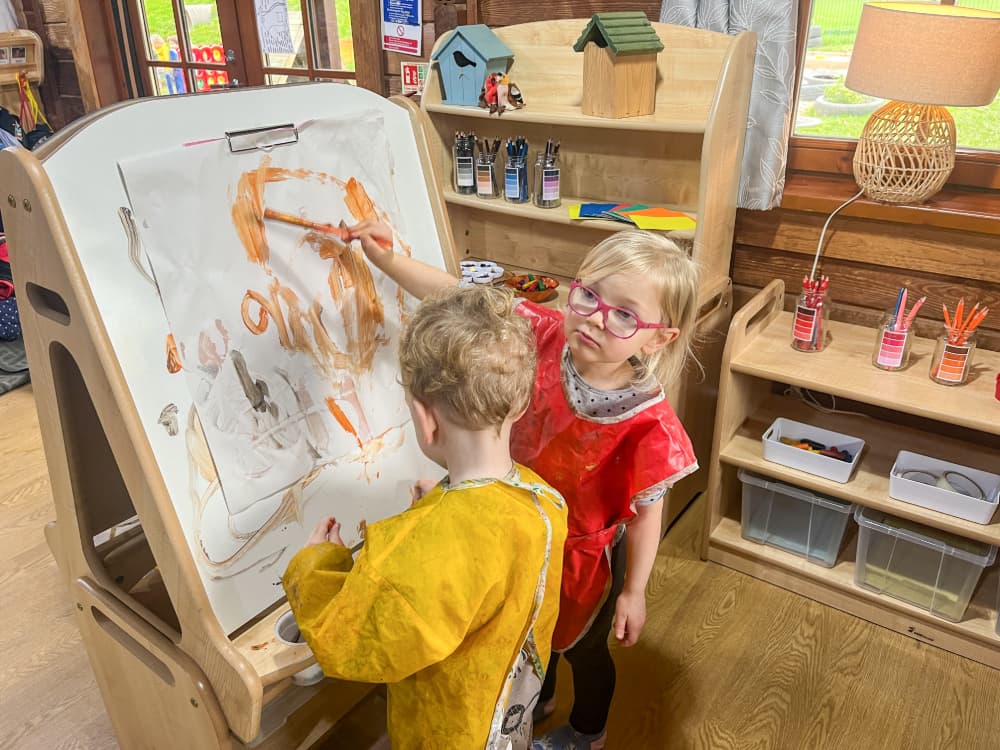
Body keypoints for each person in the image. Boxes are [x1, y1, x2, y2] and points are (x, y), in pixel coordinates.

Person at [349, 223, 700, 750]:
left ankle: (587, 732)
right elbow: (458, 299)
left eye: (625, 314)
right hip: (516, 530)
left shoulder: (650, 423)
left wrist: (634, 592)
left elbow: (649, 512)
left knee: (582, 648)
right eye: (588, 294)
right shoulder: (540, 332)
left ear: (659, 337)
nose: (595, 318)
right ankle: (540, 701)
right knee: (528, 629)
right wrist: (388, 261)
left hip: (585, 561)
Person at [282, 285, 568, 750]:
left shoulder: (425, 552)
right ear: (520, 400)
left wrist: (317, 566)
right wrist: (443, 504)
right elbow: (487, 544)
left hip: (447, 734)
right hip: (508, 717)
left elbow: (348, 643)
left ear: (424, 417)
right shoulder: (546, 501)